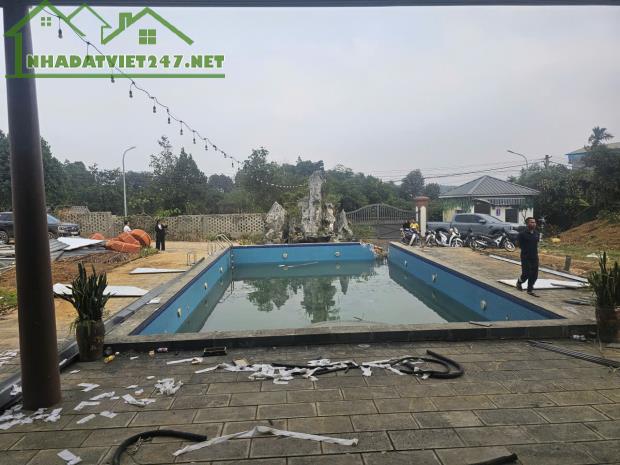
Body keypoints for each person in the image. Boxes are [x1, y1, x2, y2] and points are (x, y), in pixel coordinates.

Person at [516, 217, 540, 296]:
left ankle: (530, 290)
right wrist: (526, 250)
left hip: (535, 256)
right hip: (525, 256)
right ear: (527, 224)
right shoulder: (522, 234)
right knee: (526, 273)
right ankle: (519, 282)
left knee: (534, 275)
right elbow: (519, 244)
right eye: (531, 222)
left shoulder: (537, 233)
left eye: (534, 222)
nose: (534, 224)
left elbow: (536, 243)